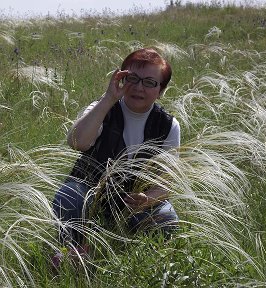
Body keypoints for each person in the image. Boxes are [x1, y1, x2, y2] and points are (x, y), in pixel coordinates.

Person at [52, 48, 181, 248]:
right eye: (133, 78)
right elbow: (77, 143)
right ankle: (70, 251)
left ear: (161, 90)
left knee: (166, 218)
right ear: (121, 79)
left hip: (135, 203)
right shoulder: (101, 108)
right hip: (90, 191)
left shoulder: (168, 125)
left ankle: (129, 252)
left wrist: (147, 199)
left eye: (149, 82)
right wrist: (109, 99)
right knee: (68, 196)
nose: (139, 87)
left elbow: (166, 182)